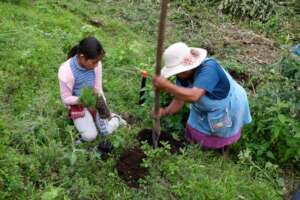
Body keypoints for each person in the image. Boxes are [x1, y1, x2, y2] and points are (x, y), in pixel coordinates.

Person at [152, 42, 252, 159]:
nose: (178, 74)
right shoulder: (183, 76)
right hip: (204, 107)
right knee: (196, 129)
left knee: (222, 130)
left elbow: (194, 96)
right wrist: (165, 111)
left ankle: (223, 153)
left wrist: (167, 86)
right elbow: (180, 99)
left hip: (227, 106)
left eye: (179, 72)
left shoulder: (209, 69)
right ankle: (197, 150)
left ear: (189, 67)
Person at [58, 36, 126, 143]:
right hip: (78, 104)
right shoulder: (66, 71)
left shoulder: (97, 65)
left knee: (106, 131)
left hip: (94, 101)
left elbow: (98, 89)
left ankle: (116, 118)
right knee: (90, 136)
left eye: (98, 61)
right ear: (82, 57)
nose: (96, 65)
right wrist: (82, 100)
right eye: (94, 62)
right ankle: (81, 135)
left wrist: (102, 105)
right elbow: (66, 99)